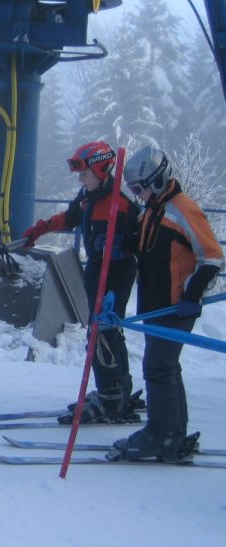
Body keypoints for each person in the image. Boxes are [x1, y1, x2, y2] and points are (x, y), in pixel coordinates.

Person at [111, 145, 223, 462]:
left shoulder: (182, 208)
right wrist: (126, 245)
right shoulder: (154, 209)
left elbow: (212, 256)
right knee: (166, 368)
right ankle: (172, 432)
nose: (138, 196)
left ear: (155, 182)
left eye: (138, 189)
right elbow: (151, 247)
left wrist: (192, 295)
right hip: (155, 304)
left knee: (157, 368)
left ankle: (163, 435)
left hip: (175, 305)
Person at [22, 141, 141, 423]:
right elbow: (71, 217)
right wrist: (41, 228)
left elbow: (142, 242)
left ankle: (111, 400)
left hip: (115, 275)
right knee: (105, 332)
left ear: (102, 170)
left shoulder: (120, 205)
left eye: (84, 173)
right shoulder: (88, 197)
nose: (80, 178)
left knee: (102, 334)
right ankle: (118, 389)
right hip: (97, 270)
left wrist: (122, 247)